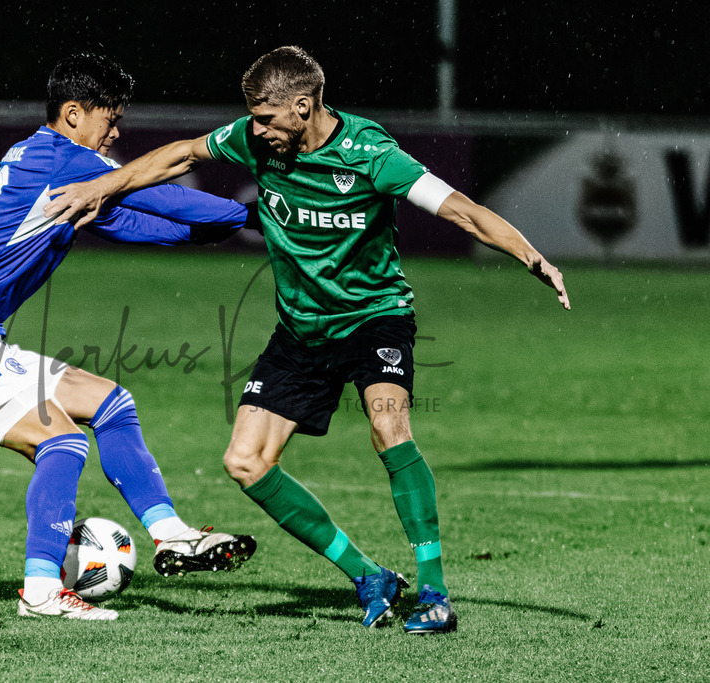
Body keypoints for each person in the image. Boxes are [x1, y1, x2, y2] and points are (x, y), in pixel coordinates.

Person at [43, 45, 571, 633]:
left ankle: (435, 593)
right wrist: (105, 186)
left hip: (375, 317)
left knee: (389, 427)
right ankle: (368, 575)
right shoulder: (254, 137)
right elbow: (181, 156)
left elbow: (461, 211)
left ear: (304, 104)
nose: (257, 129)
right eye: (253, 117)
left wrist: (527, 253)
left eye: (268, 118)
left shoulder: (373, 155)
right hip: (300, 330)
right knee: (244, 461)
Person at [0, 53, 257, 622]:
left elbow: (136, 224)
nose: (117, 132)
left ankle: (172, 535)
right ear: (72, 113)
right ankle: (41, 592)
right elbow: (167, 197)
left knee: (110, 402)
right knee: (61, 441)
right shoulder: (63, 160)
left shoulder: (56, 164)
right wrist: (250, 215)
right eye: (109, 118)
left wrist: (213, 232)